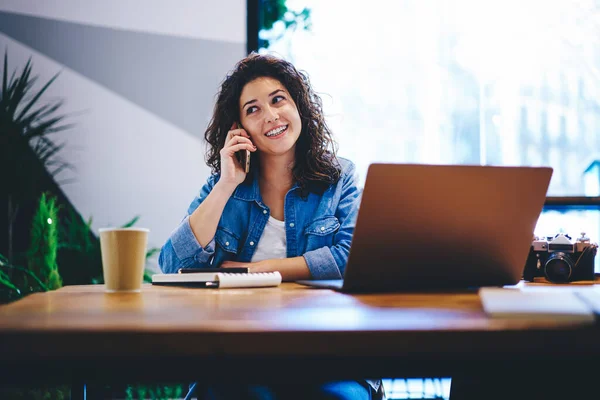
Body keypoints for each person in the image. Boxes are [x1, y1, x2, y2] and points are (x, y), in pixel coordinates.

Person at [159, 53, 383, 400]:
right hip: (238, 356)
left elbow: (351, 258)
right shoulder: (224, 186)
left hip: (327, 354)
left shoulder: (340, 178)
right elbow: (173, 265)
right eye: (253, 109)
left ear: (299, 107)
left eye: (278, 100)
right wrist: (227, 184)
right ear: (240, 128)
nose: (270, 116)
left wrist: (258, 270)